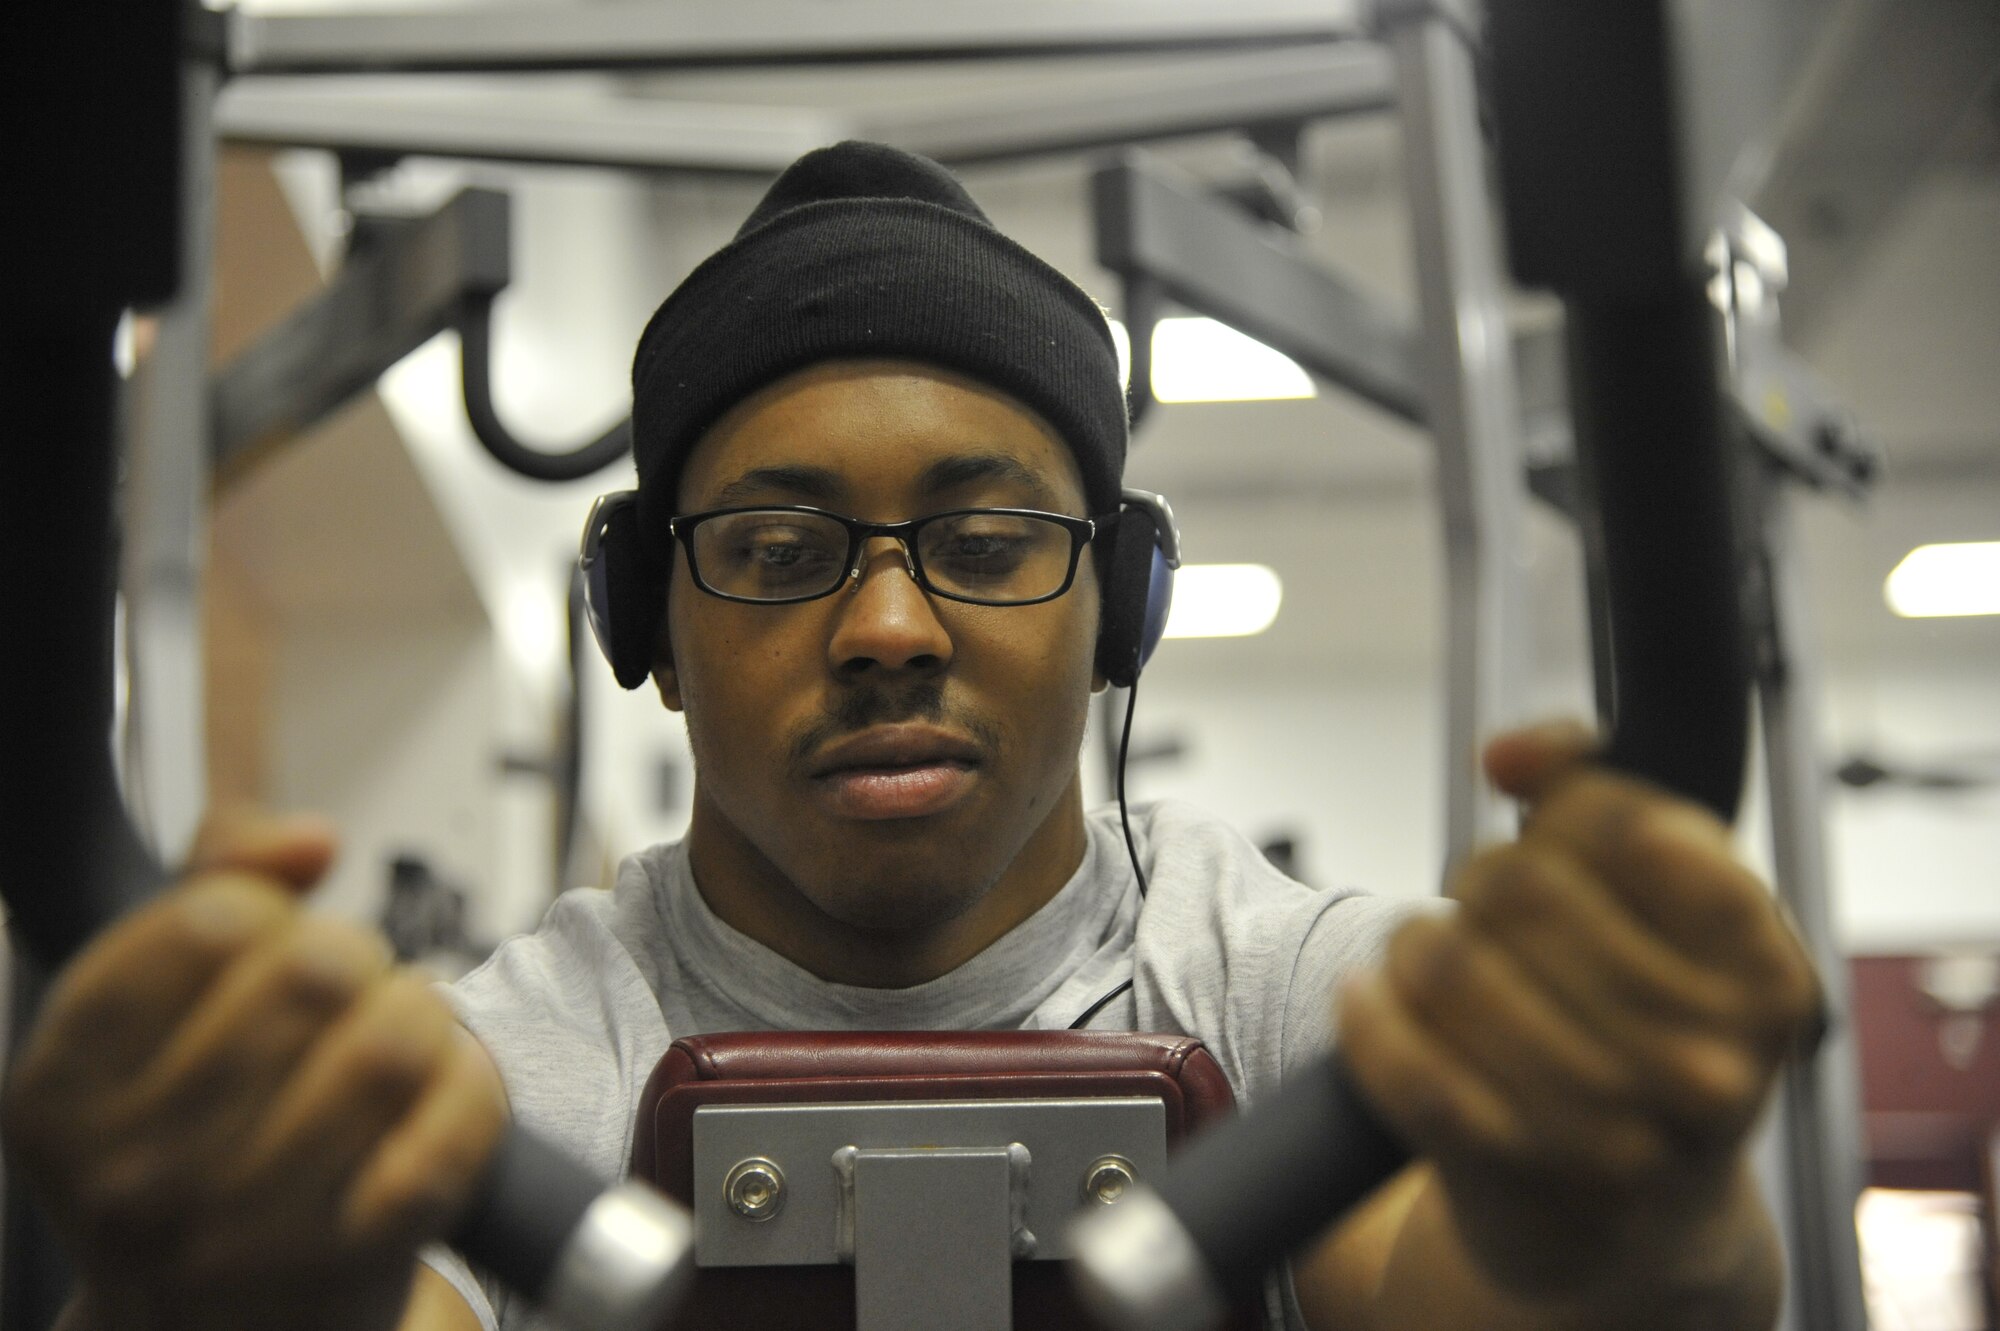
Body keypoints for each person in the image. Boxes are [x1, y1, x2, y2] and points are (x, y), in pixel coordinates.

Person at [4, 142, 1821, 1331]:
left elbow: (1494, 1285)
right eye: (780, 552)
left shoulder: (1301, 1001)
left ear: (1119, 608)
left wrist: (1634, 1228)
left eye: (987, 542)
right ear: (648, 623)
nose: (886, 629)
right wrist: (208, 1296)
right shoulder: (491, 1070)